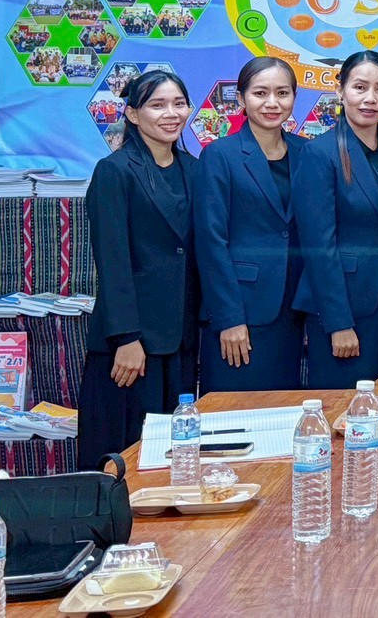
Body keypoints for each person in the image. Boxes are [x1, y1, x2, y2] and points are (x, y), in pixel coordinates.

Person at [80, 70, 199, 469]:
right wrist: (126, 338)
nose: (171, 114)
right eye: (157, 105)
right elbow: (112, 260)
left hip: (179, 339)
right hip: (132, 344)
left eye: (178, 104)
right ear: (132, 114)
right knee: (125, 452)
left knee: (172, 454)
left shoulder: (193, 169)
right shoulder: (114, 171)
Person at [292, 51, 378, 387]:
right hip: (343, 306)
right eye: (360, 87)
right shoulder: (319, 152)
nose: (370, 98)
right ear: (340, 90)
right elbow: (318, 246)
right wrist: (338, 323)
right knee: (346, 406)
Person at [194, 57, 306, 393]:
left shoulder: (307, 152)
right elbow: (211, 242)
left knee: (284, 410)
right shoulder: (220, 155)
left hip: (294, 310)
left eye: (282, 93)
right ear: (242, 98)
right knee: (234, 412)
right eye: (260, 93)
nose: (272, 103)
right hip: (241, 309)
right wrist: (229, 318)